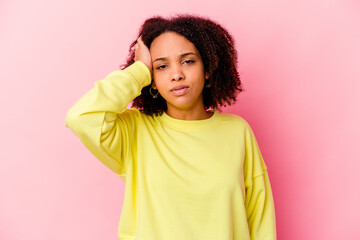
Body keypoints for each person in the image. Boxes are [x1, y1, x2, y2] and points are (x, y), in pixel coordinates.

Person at [65, 14, 277, 240]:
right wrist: (139, 71)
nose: (176, 74)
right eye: (162, 66)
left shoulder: (237, 132)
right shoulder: (135, 131)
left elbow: (260, 220)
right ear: (152, 80)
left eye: (188, 61)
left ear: (207, 68)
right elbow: (81, 117)